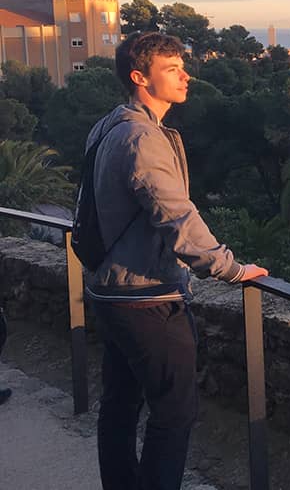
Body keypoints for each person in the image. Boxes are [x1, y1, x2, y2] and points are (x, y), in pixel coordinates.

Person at [86, 31, 268, 490]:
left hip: (108, 290)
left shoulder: (108, 124)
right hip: (146, 298)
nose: (187, 75)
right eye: (172, 68)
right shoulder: (141, 137)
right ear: (139, 77)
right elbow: (176, 215)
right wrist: (230, 268)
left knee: (120, 404)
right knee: (174, 413)